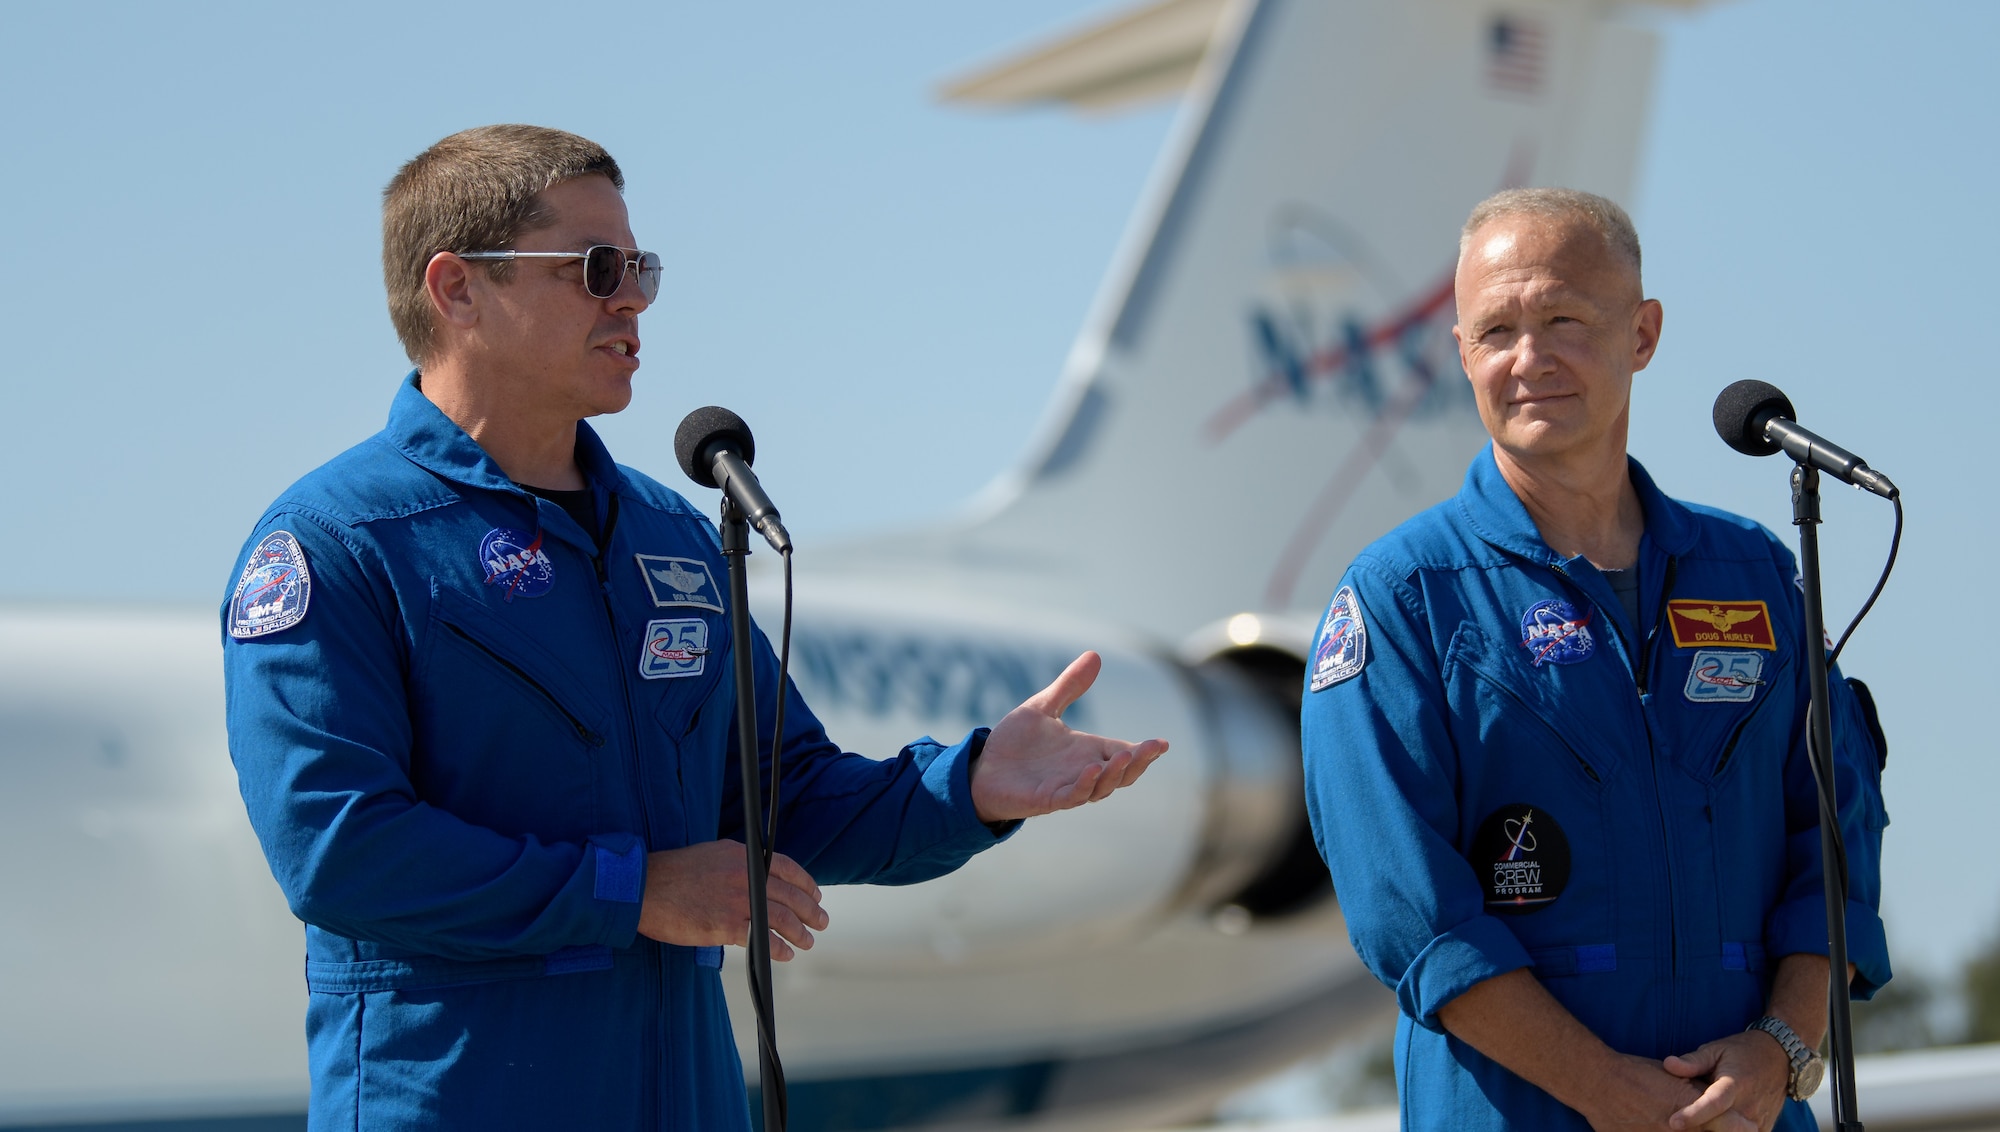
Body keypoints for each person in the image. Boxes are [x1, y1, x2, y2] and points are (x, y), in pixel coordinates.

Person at [220, 124, 1168, 1131]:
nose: (631, 297)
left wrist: (969, 784)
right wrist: (631, 892)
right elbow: (337, 846)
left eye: (640, 268)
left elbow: (780, 796)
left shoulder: (669, 535)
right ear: (456, 290)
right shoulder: (337, 543)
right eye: (594, 268)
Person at [1301, 188, 1889, 1131]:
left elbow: (1836, 849)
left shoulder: (1756, 576)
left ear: (1643, 333)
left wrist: (1779, 1050)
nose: (1529, 359)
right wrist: (1609, 1095)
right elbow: (1410, 914)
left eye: (1564, 318)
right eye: (1495, 331)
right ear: (1461, 356)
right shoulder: (1402, 600)